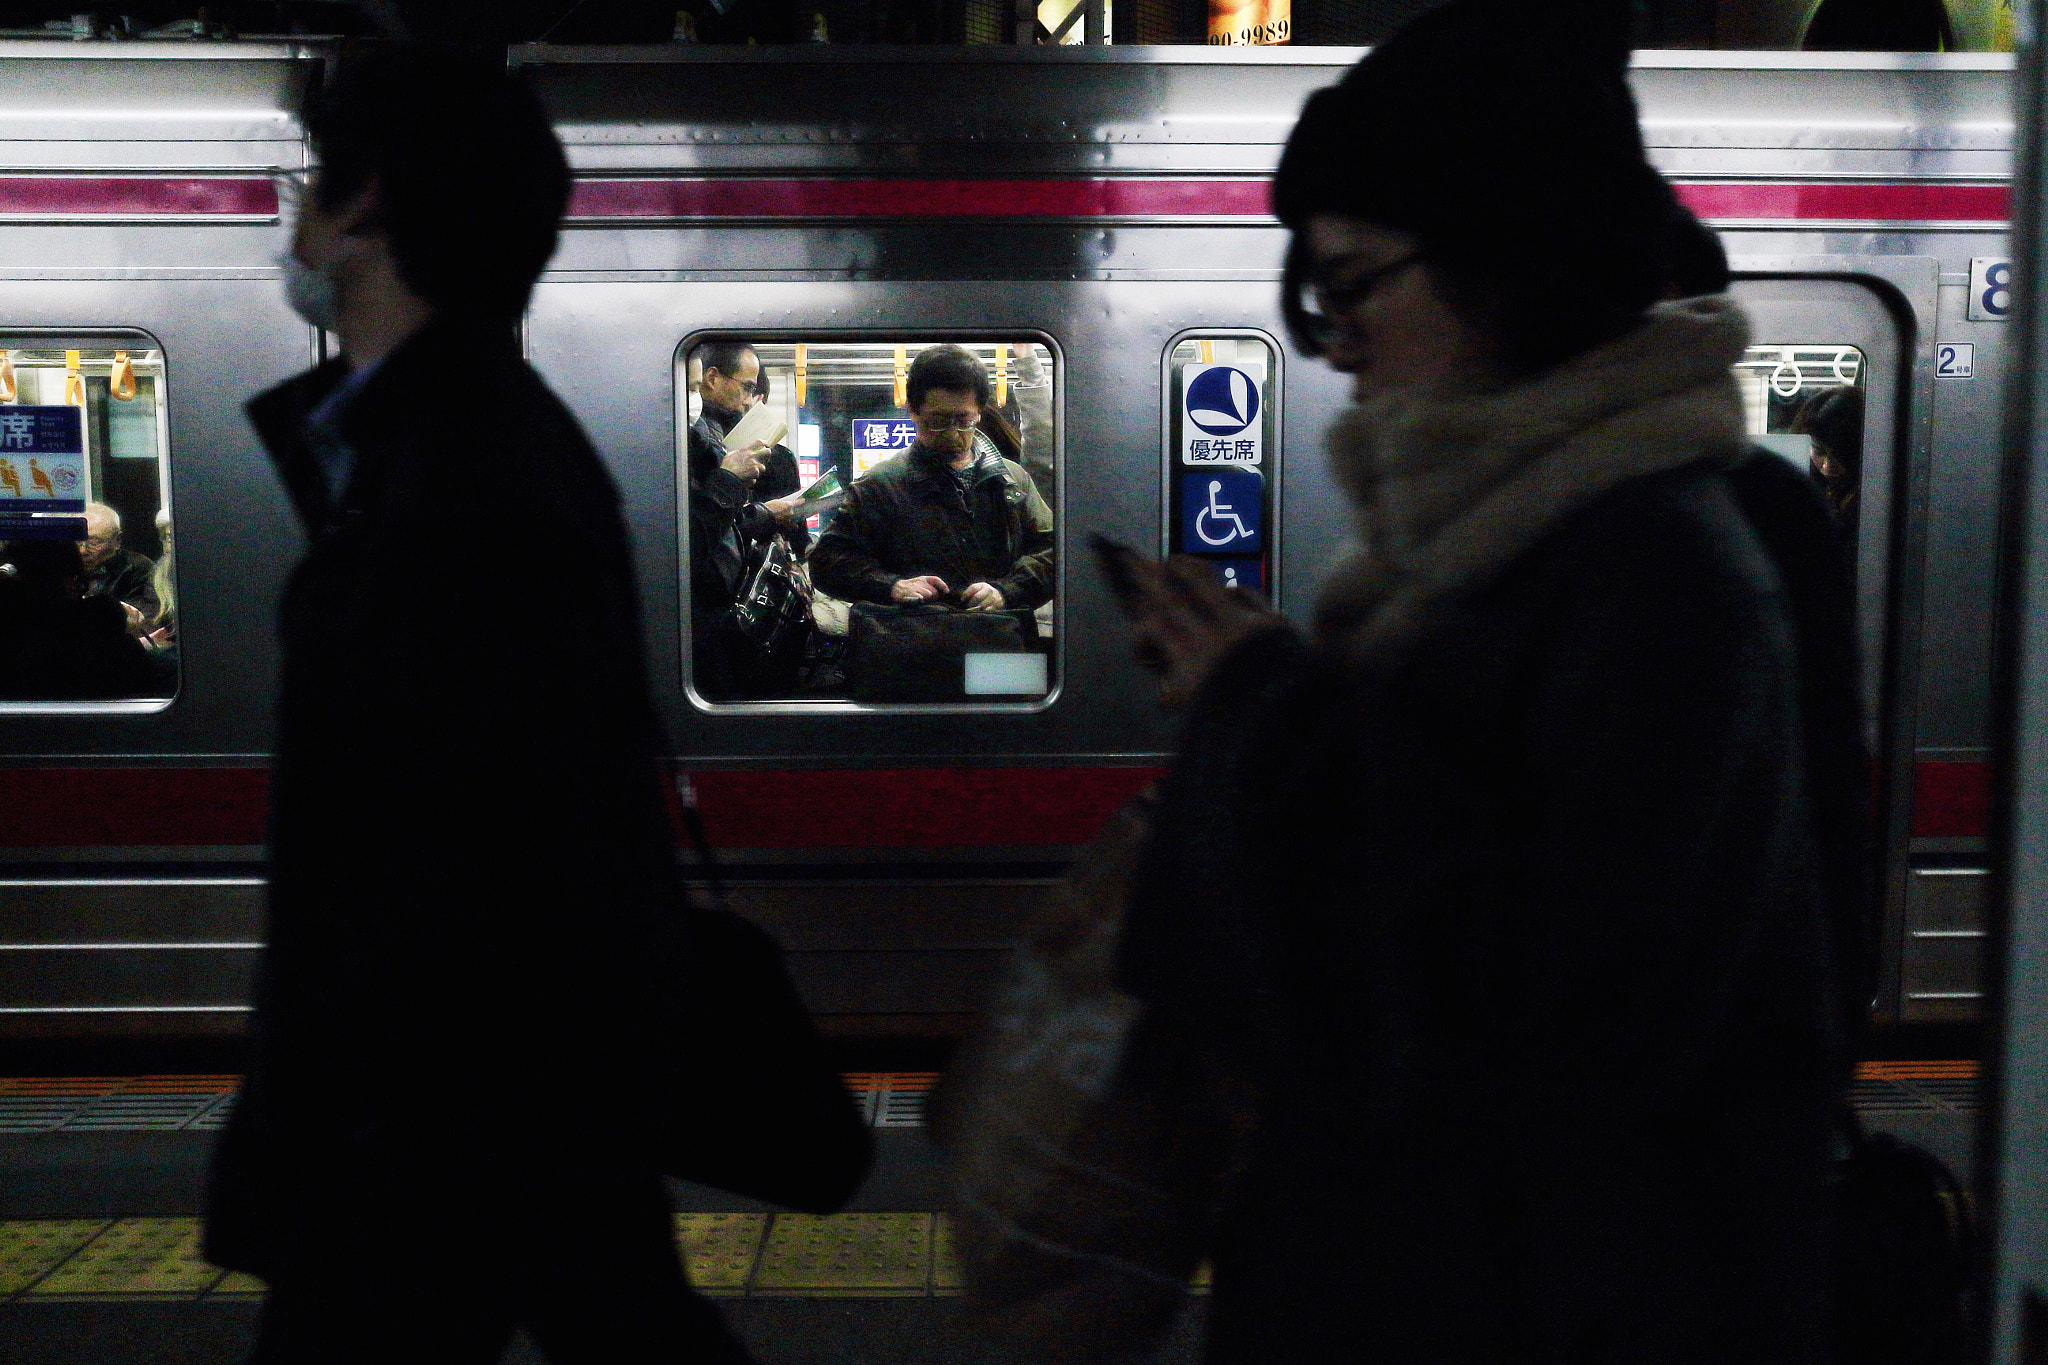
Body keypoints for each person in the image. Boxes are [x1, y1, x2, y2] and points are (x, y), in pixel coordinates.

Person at [1107, 3, 1868, 1362]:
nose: (1330, 342)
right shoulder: (1504, 539)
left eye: (1347, 285)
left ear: (1505, 267)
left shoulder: (1658, 576)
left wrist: (1263, 712)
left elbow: (1531, 1025)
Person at [202, 45, 752, 1364]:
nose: (293, 219)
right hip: (479, 1116)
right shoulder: (486, 448)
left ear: (367, 204)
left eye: (308, 182)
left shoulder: (446, 488)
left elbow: (424, 862)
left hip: (420, 1128)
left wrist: (332, 1117)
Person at [809, 344, 1054, 612]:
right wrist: (891, 586)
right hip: (913, 640)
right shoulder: (880, 486)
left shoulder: (1012, 480)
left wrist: (1007, 591)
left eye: (963, 419)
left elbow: (1053, 552)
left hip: (998, 639)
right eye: (936, 421)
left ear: (980, 412)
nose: (951, 433)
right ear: (913, 412)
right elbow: (827, 563)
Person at [687, 340, 805, 699]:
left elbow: (728, 526)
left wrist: (765, 513)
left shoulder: (716, 438)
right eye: (747, 388)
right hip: (702, 610)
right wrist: (728, 482)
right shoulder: (690, 443)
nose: (747, 400)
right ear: (712, 379)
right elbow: (688, 539)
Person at [0, 538, 166, 699]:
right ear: (72, 577)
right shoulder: (100, 629)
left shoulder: (14, 631)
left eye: (93, 542)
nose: (84, 549)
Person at [79, 501, 160, 632]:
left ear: (117, 540)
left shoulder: (138, 568)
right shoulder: (62, 566)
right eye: (77, 541)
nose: (82, 551)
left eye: (94, 543)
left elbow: (147, 622)